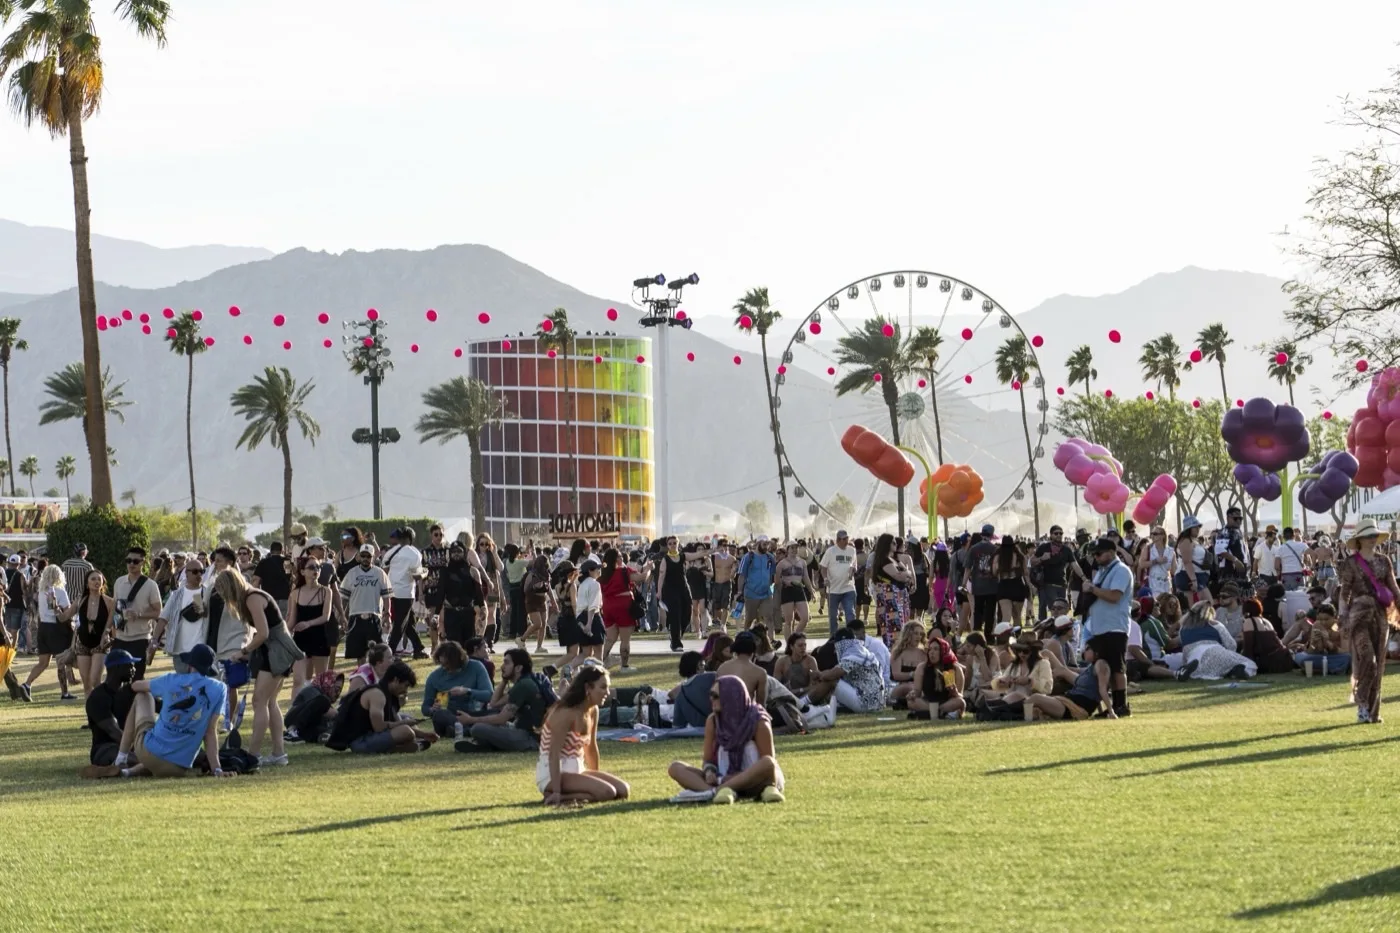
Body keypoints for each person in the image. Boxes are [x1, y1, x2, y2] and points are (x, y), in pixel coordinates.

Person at [82, 644, 230, 779]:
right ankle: (126, 769)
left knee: (142, 695)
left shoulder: (171, 680)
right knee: (162, 757)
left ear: (190, 664)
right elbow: (210, 733)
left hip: (149, 752)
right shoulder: (220, 689)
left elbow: (141, 690)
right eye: (130, 665)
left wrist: (135, 688)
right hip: (174, 767)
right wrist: (217, 769)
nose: (134, 669)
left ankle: (122, 761)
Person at [213, 567, 304, 766]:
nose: (220, 594)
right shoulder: (249, 598)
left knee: (259, 701)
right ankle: (279, 753)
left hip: (277, 651)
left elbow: (262, 633)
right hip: (271, 650)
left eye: (221, 589)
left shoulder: (252, 598)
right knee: (270, 702)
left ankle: (253, 755)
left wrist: (243, 652)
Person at [667, 674, 785, 804]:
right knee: (675, 767)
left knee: (768, 762)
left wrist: (729, 779)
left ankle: (716, 791)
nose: (711, 699)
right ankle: (714, 791)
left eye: (716, 696)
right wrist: (709, 771)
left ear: (731, 696)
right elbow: (708, 760)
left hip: (754, 780)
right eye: (710, 695)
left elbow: (768, 767)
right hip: (721, 777)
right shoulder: (713, 721)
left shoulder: (758, 721)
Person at [536, 665, 630, 805]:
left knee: (623, 790)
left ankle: (578, 793)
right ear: (588, 688)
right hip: (552, 773)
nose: (608, 693)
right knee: (608, 792)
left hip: (577, 769)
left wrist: (596, 780)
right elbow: (553, 754)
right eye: (603, 687)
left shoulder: (593, 710)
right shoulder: (566, 712)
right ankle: (556, 796)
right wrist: (557, 791)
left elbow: (591, 748)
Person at [1336, 520, 1398, 724]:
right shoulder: (1350, 563)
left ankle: (1373, 712)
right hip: (1358, 616)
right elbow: (1344, 593)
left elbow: (1394, 588)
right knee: (1367, 659)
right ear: (1360, 539)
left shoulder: (1384, 561)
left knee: (1379, 662)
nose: (1373, 539)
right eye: (1369, 536)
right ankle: (1362, 705)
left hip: (1380, 616)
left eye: (1374, 535)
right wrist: (1343, 616)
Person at [325, 660, 437, 753]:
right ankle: (399, 748)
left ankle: (405, 747)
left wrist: (424, 734)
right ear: (396, 680)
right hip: (359, 742)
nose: (405, 690)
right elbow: (379, 727)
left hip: (370, 737)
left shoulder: (389, 695)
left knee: (406, 721)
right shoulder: (377, 695)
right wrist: (405, 724)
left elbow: (395, 721)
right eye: (405, 685)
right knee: (406, 731)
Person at [453, 648, 548, 753]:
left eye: (506, 663)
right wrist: (504, 680)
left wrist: (470, 719)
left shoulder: (524, 685)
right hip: (524, 731)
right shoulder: (525, 682)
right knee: (487, 724)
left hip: (530, 738)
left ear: (518, 668)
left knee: (478, 728)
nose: (502, 667)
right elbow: (494, 703)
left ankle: (486, 745)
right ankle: (486, 745)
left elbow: (501, 719)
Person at [1081, 536, 1133, 717]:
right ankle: (1112, 706)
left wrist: (1092, 589)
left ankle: (1122, 705)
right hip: (1100, 627)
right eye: (1094, 554)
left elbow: (1114, 596)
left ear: (1111, 553)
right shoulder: (1103, 571)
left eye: (1099, 554)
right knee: (1107, 669)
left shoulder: (1121, 571)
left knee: (1118, 668)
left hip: (1115, 627)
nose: (1096, 557)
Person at [20, 564, 73, 701]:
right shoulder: (60, 591)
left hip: (43, 627)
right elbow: (67, 611)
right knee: (61, 661)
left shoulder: (42, 592)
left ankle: (27, 684)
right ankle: (65, 693)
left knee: (43, 662)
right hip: (56, 628)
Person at [420, 640, 493, 736]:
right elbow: (425, 707)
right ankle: (468, 730)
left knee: (498, 712)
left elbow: (489, 695)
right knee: (439, 715)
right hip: (452, 716)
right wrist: (432, 709)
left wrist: (467, 691)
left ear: (458, 661)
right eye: (442, 664)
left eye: (447, 664)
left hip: (474, 715)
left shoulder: (476, 667)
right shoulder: (435, 677)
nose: (445, 668)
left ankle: (459, 730)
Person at [111, 547, 164, 681]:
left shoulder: (150, 585)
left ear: (143, 562)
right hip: (120, 637)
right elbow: (115, 608)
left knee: (136, 678)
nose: (131, 564)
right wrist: (109, 630)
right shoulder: (119, 582)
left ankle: (136, 702)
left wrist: (139, 615)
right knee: (114, 677)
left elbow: (158, 611)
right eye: (128, 561)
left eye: (135, 561)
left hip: (140, 638)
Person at [1025, 644, 1114, 721]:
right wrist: (1101, 711)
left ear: (1097, 651)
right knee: (1032, 705)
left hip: (1076, 709)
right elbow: (1096, 693)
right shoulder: (1091, 667)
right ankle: (1025, 717)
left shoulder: (1101, 664)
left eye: (1088, 649)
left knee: (1034, 699)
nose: (1084, 652)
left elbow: (1102, 690)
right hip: (1068, 701)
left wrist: (1111, 712)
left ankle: (1026, 720)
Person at [287, 555, 333, 698]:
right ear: (302, 572)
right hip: (300, 639)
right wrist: (282, 633)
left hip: (319, 636)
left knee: (321, 681)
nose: (316, 570)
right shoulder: (295, 593)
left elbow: (326, 617)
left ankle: (321, 714)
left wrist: (308, 623)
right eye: (312, 567)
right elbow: (291, 620)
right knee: (298, 680)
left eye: (318, 567)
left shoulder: (326, 591)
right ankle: (295, 712)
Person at [339, 543, 392, 663]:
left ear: (373, 557)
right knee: (360, 653)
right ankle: (363, 676)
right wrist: (342, 616)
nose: (365, 559)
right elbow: (344, 598)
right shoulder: (352, 573)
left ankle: (373, 677)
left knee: (375, 652)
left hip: (374, 617)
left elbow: (386, 596)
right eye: (363, 555)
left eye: (368, 556)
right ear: (359, 557)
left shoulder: (380, 573)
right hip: (355, 617)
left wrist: (387, 614)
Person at [67, 569, 115, 697]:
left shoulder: (110, 602)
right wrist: (54, 606)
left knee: (95, 680)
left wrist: (109, 636)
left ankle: (105, 705)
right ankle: (90, 713)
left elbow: (111, 625)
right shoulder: (80, 600)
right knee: (87, 684)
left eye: (99, 579)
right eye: (93, 579)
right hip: (83, 643)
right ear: (87, 584)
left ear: (103, 582)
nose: (96, 582)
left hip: (100, 643)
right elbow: (64, 616)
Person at [85, 649, 137, 766]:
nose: (134, 670)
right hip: (105, 748)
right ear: (117, 668)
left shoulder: (131, 691)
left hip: (131, 745)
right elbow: (113, 731)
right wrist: (137, 750)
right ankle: (145, 763)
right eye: (130, 666)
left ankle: (138, 765)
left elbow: (159, 706)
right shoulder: (98, 698)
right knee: (120, 755)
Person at [380, 527, 426, 658]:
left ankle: (418, 647)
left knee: (406, 621)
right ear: (411, 538)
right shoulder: (415, 553)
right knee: (401, 622)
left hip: (391, 590)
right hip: (406, 592)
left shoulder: (391, 552)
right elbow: (417, 576)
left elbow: (385, 569)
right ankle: (391, 650)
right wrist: (424, 574)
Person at [868, 533, 914, 646]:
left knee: (902, 623)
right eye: (893, 542)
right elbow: (898, 576)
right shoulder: (884, 560)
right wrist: (905, 574)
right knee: (893, 626)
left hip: (899, 596)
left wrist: (905, 574)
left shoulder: (894, 559)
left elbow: (908, 574)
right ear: (886, 544)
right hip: (890, 597)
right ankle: (893, 650)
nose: (896, 544)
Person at [599, 548, 639, 671]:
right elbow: (640, 577)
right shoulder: (623, 571)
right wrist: (649, 569)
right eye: (620, 556)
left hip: (607, 606)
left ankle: (598, 664)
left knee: (610, 638)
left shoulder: (603, 574)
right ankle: (624, 666)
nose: (622, 558)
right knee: (625, 639)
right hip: (623, 605)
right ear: (615, 559)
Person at [908, 636, 966, 720]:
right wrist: (912, 694)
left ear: (943, 651)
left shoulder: (955, 668)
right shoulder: (922, 667)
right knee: (911, 702)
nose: (931, 652)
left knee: (961, 702)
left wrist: (955, 692)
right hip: (928, 703)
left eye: (936, 649)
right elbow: (917, 691)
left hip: (947, 703)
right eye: (930, 649)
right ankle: (942, 714)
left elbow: (960, 696)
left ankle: (929, 713)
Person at [283, 670, 345, 744]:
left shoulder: (323, 696)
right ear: (328, 683)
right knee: (323, 701)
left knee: (324, 730)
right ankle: (291, 731)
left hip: (307, 726)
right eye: (337, 689)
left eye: (340, 690)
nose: (338, 693)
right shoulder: (312, 690)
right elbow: (331, 713)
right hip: (293, 719)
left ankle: (322, 736)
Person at [655, 537, 691, 651]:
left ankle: (676, 636)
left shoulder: (682, 556)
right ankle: (676, 643)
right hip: (671, 591)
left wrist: (711, 550)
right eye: (670, 544)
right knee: (675, 617)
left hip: (684, 590)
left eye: (674, 543)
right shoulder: (665, 559)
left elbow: (697, 554)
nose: (672, 545)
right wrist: (659, 592)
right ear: (667, 546)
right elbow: (661, 576)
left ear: (678, 544)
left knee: (687, 615)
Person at [716, 630, 768, 705]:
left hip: (725, 714)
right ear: (754, 649)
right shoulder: (760, 673)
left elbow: (716, 697)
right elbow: (761, 704)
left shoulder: (722, 668)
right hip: (747, 714)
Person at [819, 530, 857, 633]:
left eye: (847, 538)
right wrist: (825, 579)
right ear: (838, 540)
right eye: (844, 539)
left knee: (850, 613)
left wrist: (853, 570)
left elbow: (854, 565)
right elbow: (823, 567)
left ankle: (851, 636)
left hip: (848, 587)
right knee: (833, 616)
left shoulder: (852, 550)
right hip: (833, 589)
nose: (846, 541)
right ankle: (833, 638)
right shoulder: (830, 551)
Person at [668, 650, 718, 728]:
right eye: (703, 665)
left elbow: (677, 726)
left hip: (700, 728)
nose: (705, 669)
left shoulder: (680, 695)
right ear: (699, 666)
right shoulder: (711, 677)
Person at [736, 540, 777, 629]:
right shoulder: (748, 557)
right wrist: (739, 591)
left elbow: (773, 574)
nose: (766, 547)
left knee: (769, 618)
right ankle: (746, 638)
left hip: (766, 593)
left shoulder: (770, 557)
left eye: (767, 544)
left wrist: (771, 586)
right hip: (751, 593)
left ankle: (771, 640)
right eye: (764, 544)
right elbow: (742, 576)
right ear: (758, 544)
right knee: (750, 619)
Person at [520, 554, 556, 655]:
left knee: (544, 624)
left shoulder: (547, 575)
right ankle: (522, 639)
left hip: (542, 600)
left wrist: (554, 602)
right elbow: (525, 589)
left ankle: (539, 647)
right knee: (537, 624)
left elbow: (549, 590)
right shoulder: (531, 574)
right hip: (532, 601)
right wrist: (534, 586)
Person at [967, 526, 1000, 636]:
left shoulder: (974, 548)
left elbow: (967, 568)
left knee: (978, 612)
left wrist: (963, 583)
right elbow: (997, 568)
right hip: (992, 586)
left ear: (982, 534)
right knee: (990, 613)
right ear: (991, 535)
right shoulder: (995, 549)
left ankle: (977, 635)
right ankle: (988, 636)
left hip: (978, 586)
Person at [775, 543, 811, 639]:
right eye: (792, 548)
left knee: (805, 618)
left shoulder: (802, 562)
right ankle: (789, 644)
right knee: (788, 620)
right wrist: (785, 582)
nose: (794, 550)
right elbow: (776, 580)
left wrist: (811, 590)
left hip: (799, 590)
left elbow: (806, 577)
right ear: (787, 549)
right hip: (787, 591)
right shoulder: (782, 563)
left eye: (796, 548)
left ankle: (794, 638)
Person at [995, 536, 1030, 627]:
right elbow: (1025, 573)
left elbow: (994, 572)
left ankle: (1002, 638)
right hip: (1017, 585)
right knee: (1017, 616)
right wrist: (1029, 585)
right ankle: (1018, 637)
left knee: (1006, 616)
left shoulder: (998, 556)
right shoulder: (1020, 556)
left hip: (1004, 586)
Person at [1274, 527, 1310, 591]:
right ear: (1294, 536)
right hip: (1298, 575)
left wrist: (1279, 574)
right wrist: (1312, 567)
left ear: (1284, 537)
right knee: (1300, 595)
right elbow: (1313, 554)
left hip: (1285, 576)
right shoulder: (1302, 545)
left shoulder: (1280, 548)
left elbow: (1276, 566)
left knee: (1287, 597)